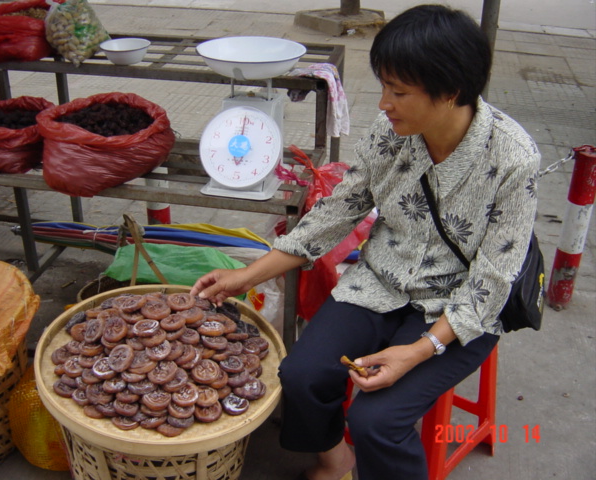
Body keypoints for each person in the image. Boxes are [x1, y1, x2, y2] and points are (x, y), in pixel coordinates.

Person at [190, 4, 540, 480]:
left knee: (376, 420)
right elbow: (339, 209)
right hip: (379, 280)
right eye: (384, 87)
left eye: (398, 91)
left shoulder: (513, 158)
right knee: (301, 375)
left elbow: (493, 281)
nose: (383, 104)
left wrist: (418, 350)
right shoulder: (391, 133)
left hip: (457, 307)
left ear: (451, 92)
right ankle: (336, 463)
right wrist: (243, 276)